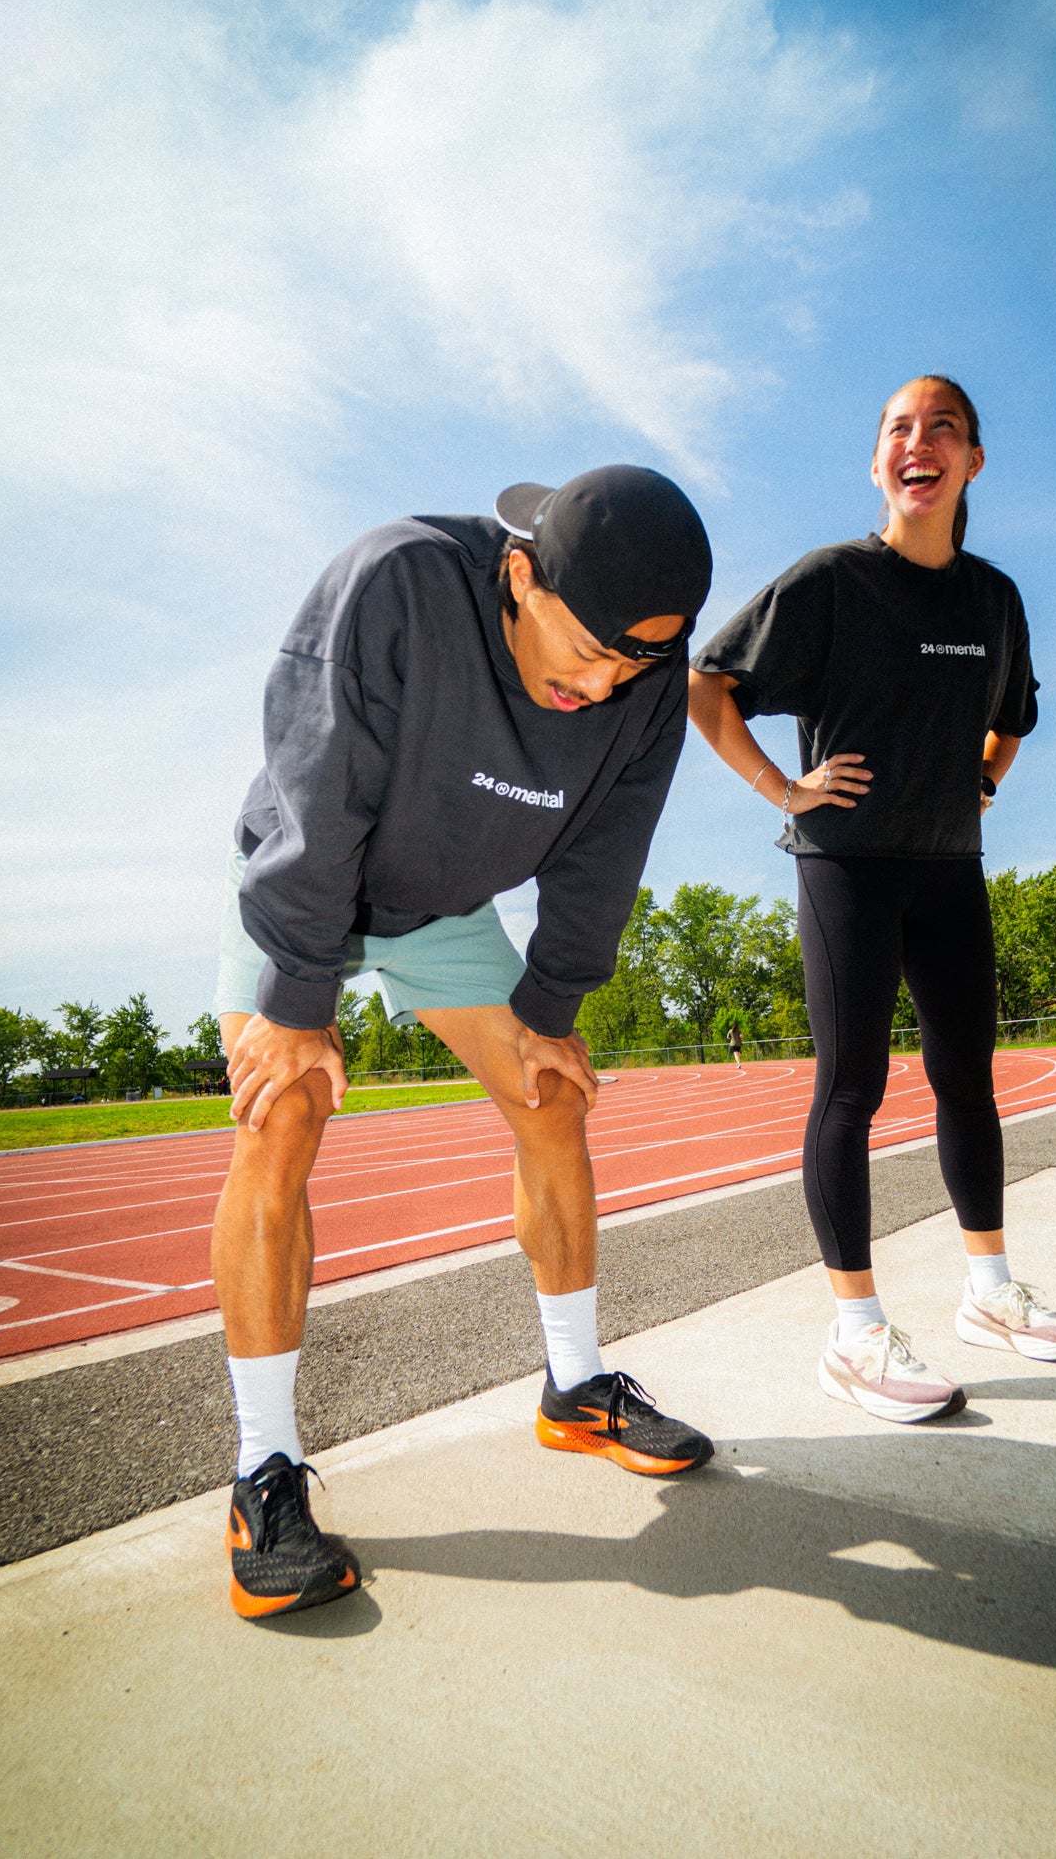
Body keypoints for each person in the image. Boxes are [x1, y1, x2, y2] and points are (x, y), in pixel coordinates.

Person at [213, 466, 716, 1620]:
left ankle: (575, 1384)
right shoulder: (397, 582)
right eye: (585, 653)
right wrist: (298, 997)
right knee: (279, 1112)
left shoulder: (643, 673)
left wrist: (550, 1005)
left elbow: (607, 850)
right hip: (307, 876)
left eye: (632, 664)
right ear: (518, 573)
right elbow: (317, 781)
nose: (601, 685)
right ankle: (262, 1471)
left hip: (443, 908)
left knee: (552, 1097)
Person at [688, 377, 1056, 1427]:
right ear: (878, 463)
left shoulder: (992, 599)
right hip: (846, 865)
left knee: (967, 1078)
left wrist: (984, 780)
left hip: (948, 866)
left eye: (941, 428)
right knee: (850, 1087)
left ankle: (990, 1294)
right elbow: (705, 685)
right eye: (896, 430)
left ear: (970, 461)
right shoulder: (831, 582)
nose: (918, 443)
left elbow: (1015, 717)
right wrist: (783, 788)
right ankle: (854, 1332)